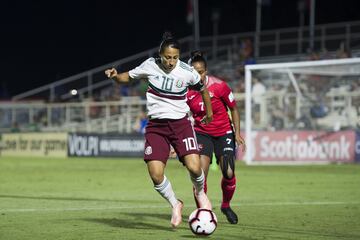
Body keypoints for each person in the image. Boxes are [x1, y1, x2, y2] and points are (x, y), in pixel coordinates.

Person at [105, 32, 213, 228]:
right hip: (156, 127)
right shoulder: (150, 65)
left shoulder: (187, 71)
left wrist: (210, 112)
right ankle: (175, 203)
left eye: (175, 57)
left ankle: (200, 193)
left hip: (181, 125)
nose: (171, 62)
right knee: (155, 174)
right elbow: (126, 77)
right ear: (160, 54)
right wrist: (115, 76)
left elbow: (203, 89)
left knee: (195, 167)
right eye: (167, 57)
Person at [187, 51, 246, 224]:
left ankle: (226, 205)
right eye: (194, 71)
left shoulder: (220, 86)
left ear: (206, 71)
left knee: (228, 171)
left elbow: (234, 109)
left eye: (201, 71)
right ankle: (203, 210)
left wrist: (237, 133)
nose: (198, 75)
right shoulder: (186, 90)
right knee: (200, 174)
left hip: (223, 132)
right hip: (201, 133)